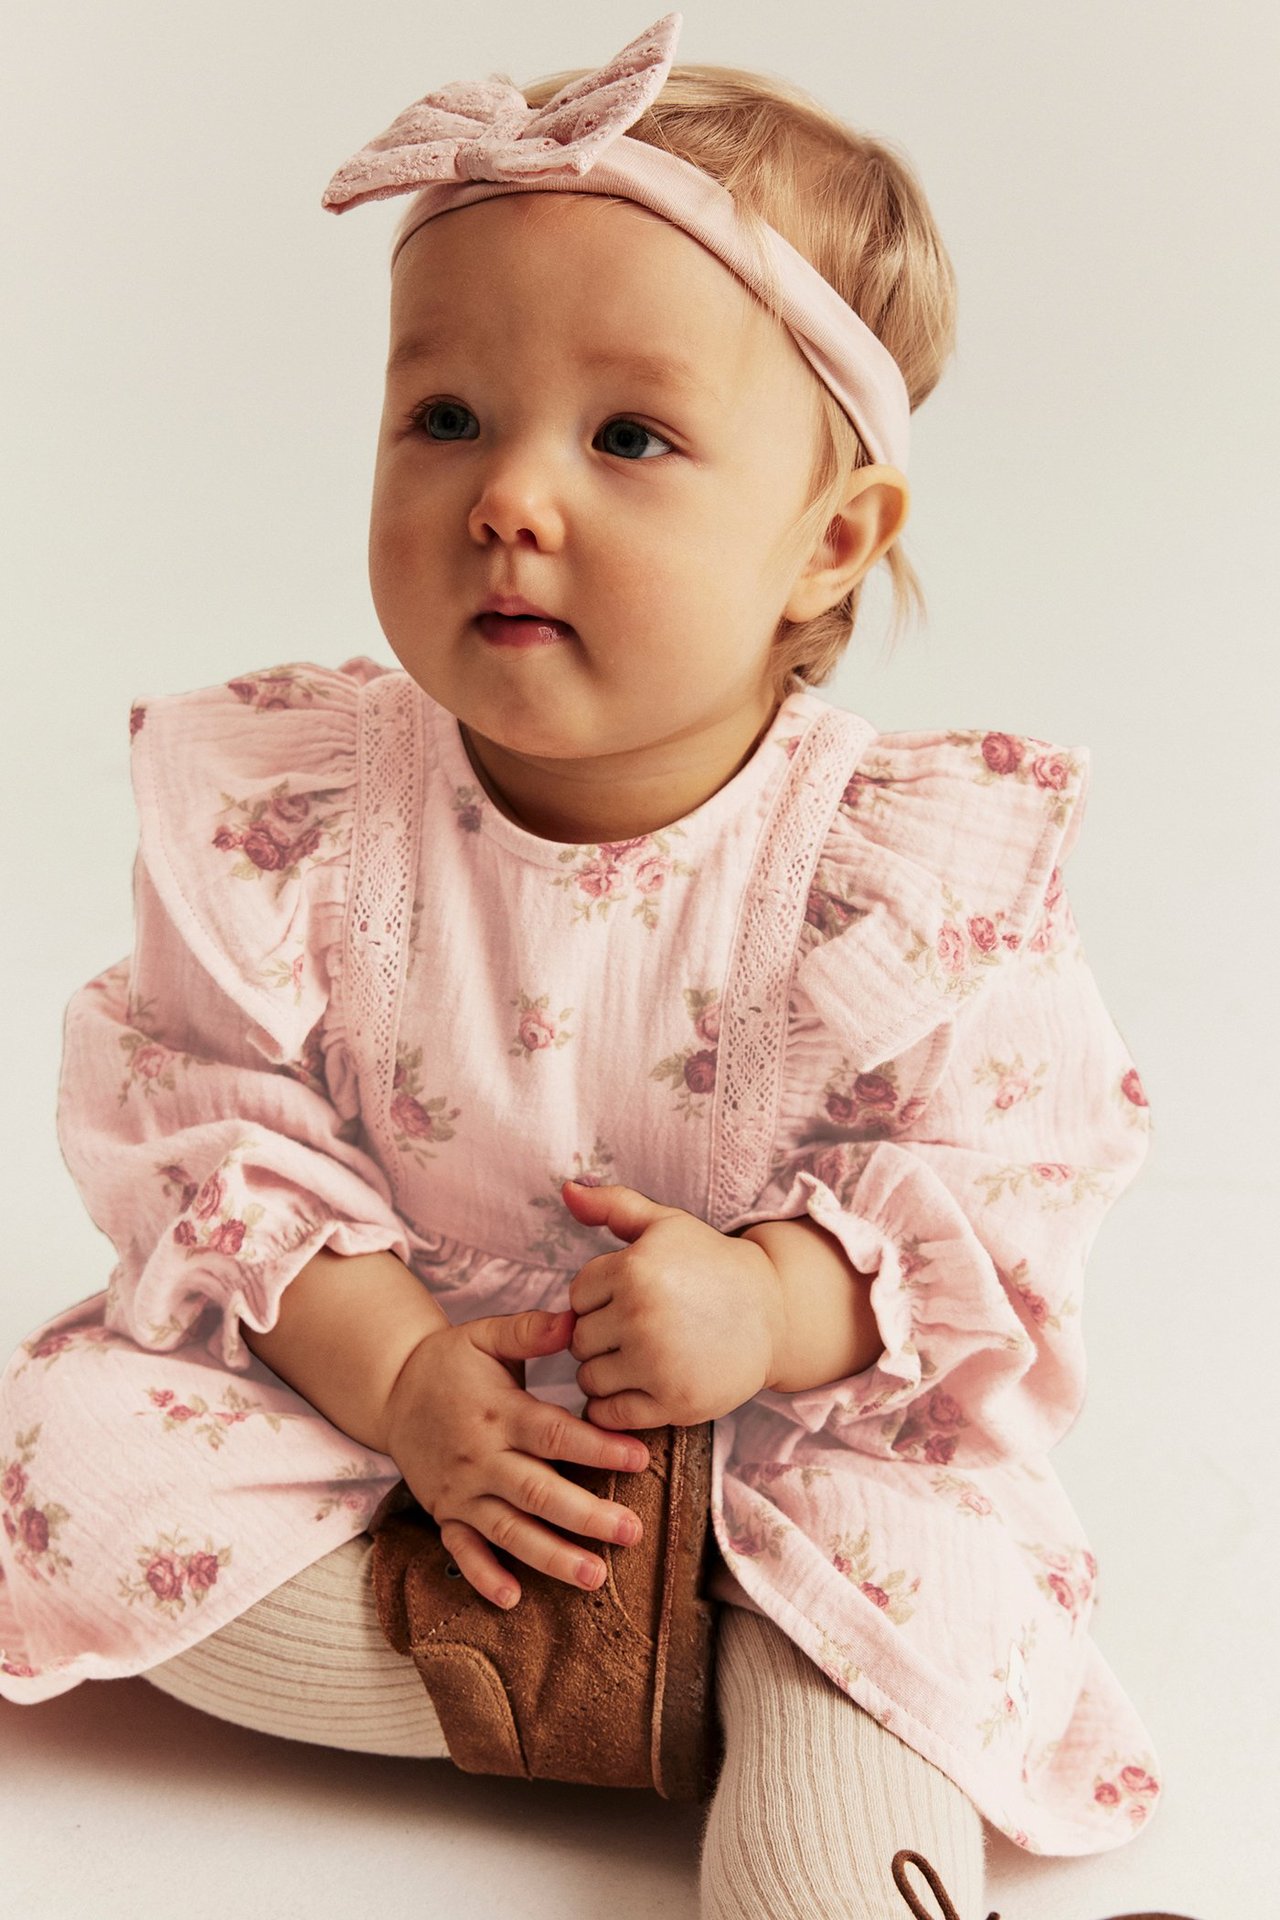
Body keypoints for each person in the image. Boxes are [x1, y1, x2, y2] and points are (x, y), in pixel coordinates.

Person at [0, 14, 1165, 1916]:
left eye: (630, 437)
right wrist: (400, 1387)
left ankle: (767, 1703)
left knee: (930, 1584)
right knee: (68, 1457)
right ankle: (620, 1678)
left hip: (778, 1464)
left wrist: (774, 1308)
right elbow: (219, 1150)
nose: (509, 495)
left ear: (830, 540)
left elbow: (997, 1199)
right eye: (444, 414)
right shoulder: (296, 819)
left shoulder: (900, 875)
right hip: (398, 1430)